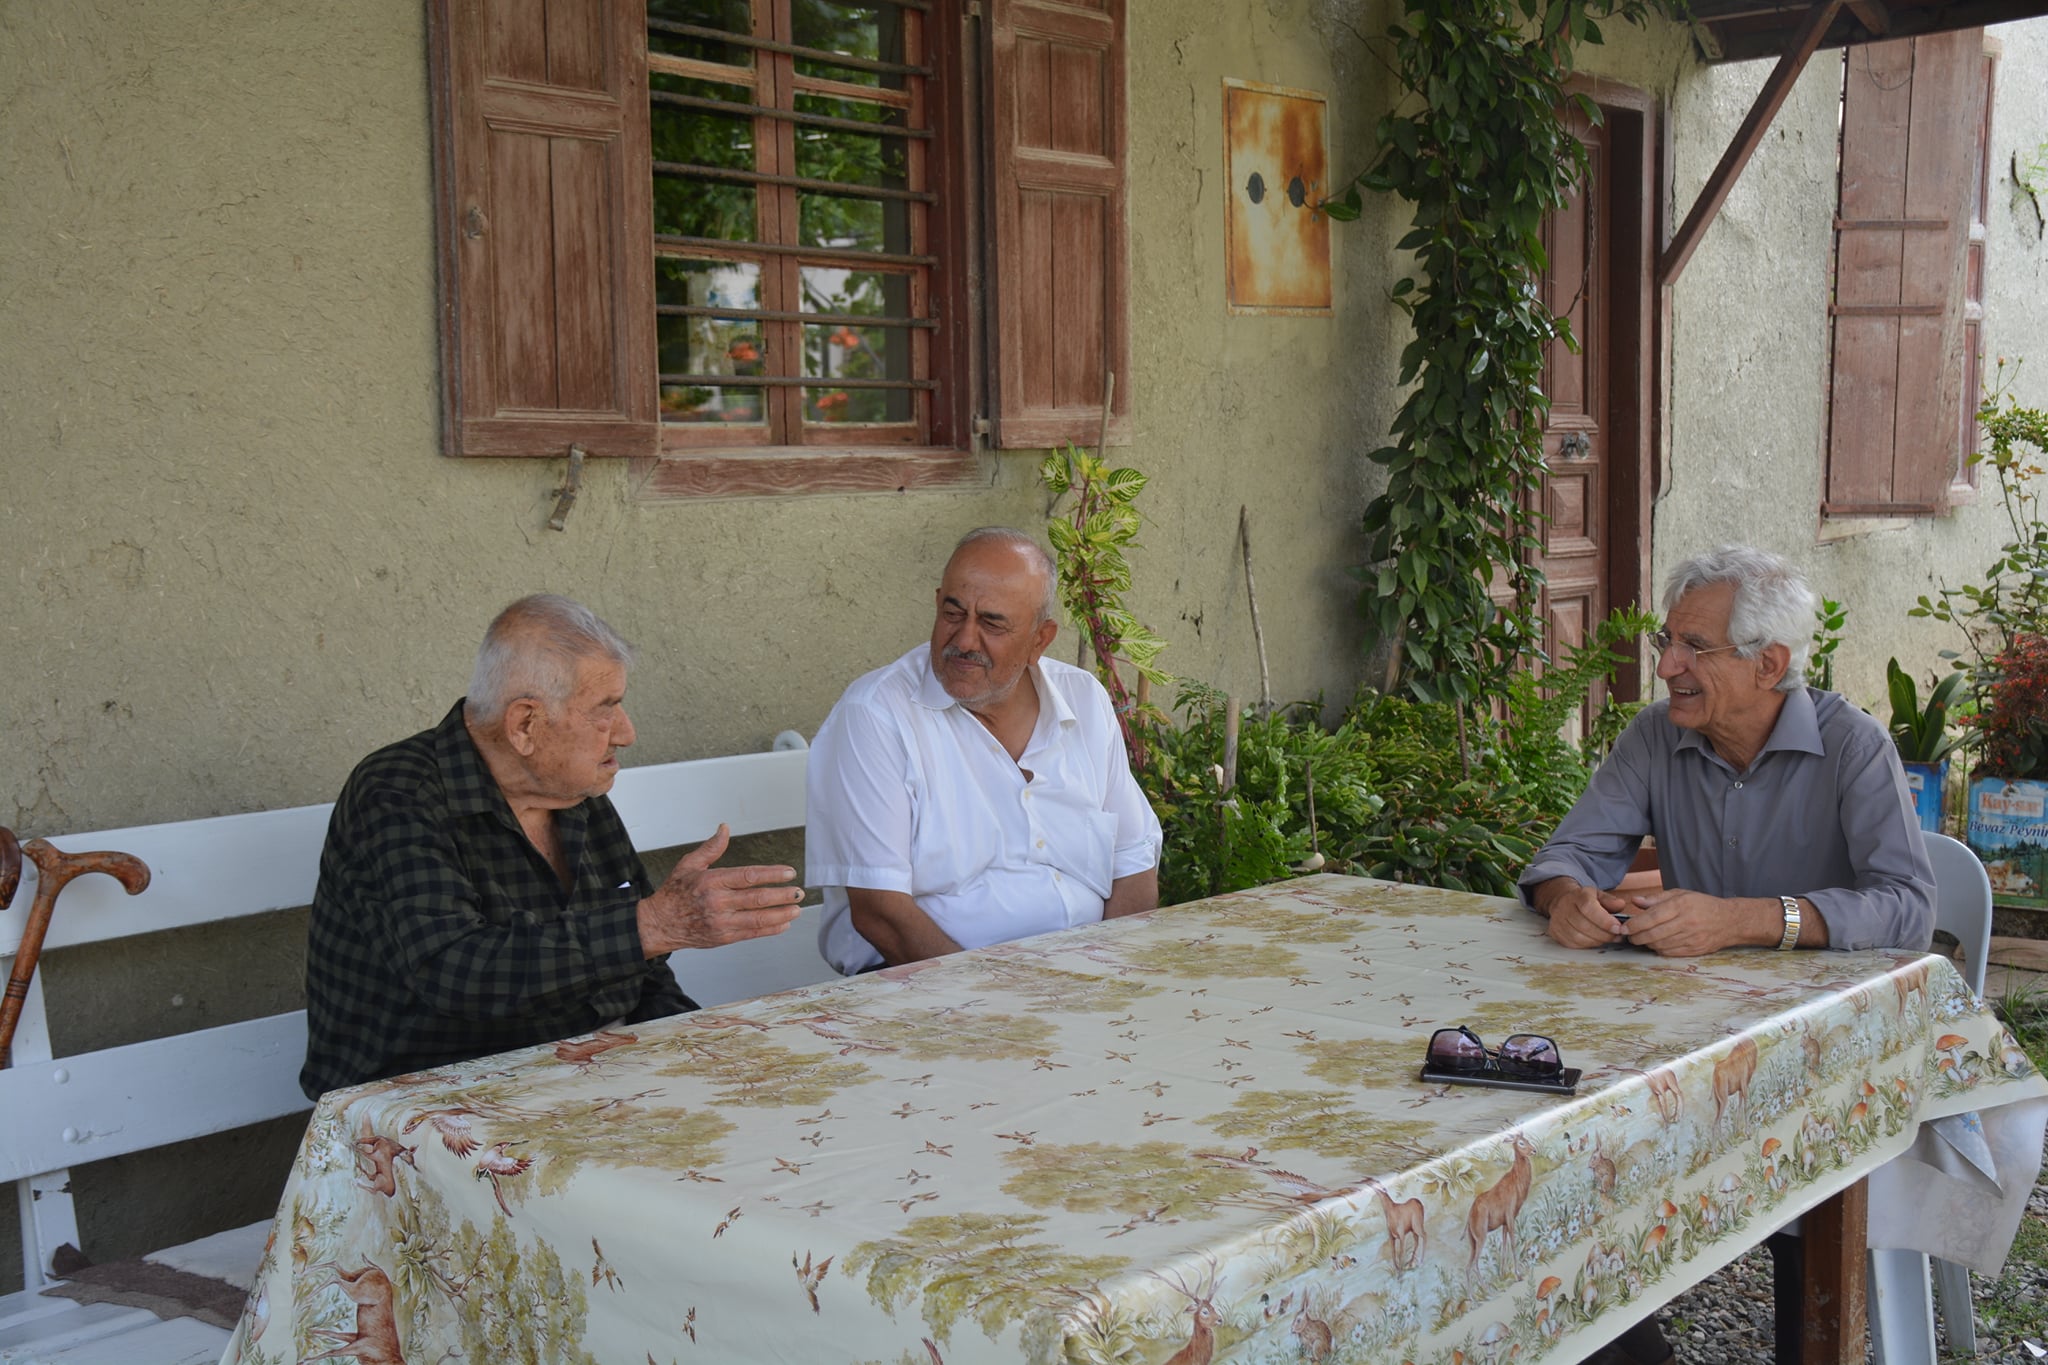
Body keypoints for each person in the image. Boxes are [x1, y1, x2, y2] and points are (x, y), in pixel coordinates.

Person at [1518, 545, 1936, 1365]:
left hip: (1830, 1054)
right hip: (1690, 1043)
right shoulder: (1654, 738)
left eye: (1693, 648)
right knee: (1566, 1169)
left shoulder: (1853, 748)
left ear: (1769, 664)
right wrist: (1567, 899)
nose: (1667, 664)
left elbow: (1911, 906)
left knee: (1795, 1197)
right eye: (1666, 642)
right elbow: (1561, 858)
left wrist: (1746, 919)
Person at [300, 595, 804, 1098]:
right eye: (605, 711)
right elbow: (453, 971)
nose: (625, 733)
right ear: (525, 724)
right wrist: (654, 924)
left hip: (579, 1079)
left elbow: (642, 976)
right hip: (430, 1101)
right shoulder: (398, 793)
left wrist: (707, 1053)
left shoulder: (569, 789)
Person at [805, 527, 1163, 973]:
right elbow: (880, 911)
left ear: (1040, 639)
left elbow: (1133, 863)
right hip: (927, 988)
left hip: (1083, 976)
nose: (965, 640)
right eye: (953, 613)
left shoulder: (1083, 699)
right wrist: (995, 1000)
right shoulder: (876, 715)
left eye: (992, 623)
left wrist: (1110, 973)